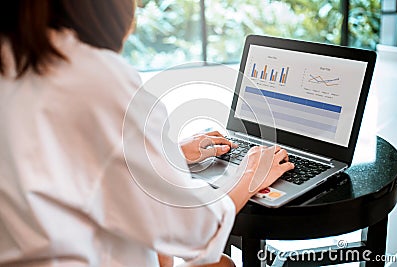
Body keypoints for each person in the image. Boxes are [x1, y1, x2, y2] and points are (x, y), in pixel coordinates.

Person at [0, 1, 294, 266]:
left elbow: (58, 166)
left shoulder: (11, 59)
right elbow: (194, 230)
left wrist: (165, 156)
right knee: (222, 264)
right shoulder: (94, 77)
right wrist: (249, 174)